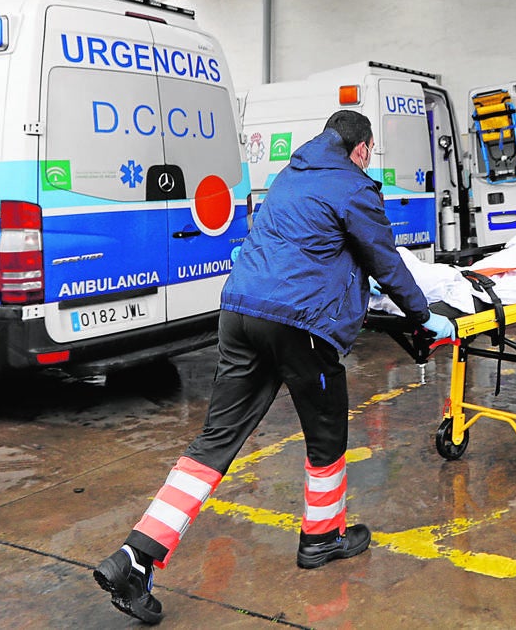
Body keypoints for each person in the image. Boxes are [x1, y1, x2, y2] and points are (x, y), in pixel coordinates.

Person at [92, 110, 456, 624]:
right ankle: (322, 538)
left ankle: (136, 555)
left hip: (240, 312)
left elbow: (311, 247)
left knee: (214, 442)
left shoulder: (288, 176)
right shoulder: (354, 186)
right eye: (370, 151)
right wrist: (423, 316)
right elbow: (386, 260)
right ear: (360, 149)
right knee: (326, 434)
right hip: (300, 325)